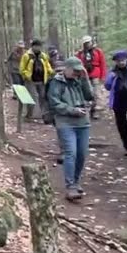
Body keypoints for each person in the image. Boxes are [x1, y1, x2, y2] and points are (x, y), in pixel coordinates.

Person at [47, 56, 95, 199]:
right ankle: (70, 186)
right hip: (65, 122)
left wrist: (85, 79)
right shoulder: (56, 82)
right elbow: (54, 103)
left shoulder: (79, 80)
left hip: (83, 122)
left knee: (81, 154)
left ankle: (76, 181)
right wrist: (72, 110)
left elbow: (90, 96)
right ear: (66, 69)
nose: (76, 73)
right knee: (70, 153)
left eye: (79, 71)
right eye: (74, 71)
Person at [20, 39, 54, 122]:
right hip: (31, 81)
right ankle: (29, 115)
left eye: (39, 46)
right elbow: (21, 68)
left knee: (42, 97)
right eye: (36, 46)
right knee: (32, 97)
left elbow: (47, 65)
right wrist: (26, 75)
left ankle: (43, 115)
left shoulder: (43, 56)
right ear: (32, 46)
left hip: (42, 80)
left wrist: (51, 72)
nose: (38, 48)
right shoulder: (26, 56)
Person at [77, 36, 107, 120]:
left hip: (96, 74)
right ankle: (86, 110)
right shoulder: (80, 53)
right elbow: (77, 64)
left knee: (96, 93)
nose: (87, 44)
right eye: (85, 43)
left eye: (89, 42)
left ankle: (95, 111)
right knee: (87, 93)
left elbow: (103, 64)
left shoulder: (98, 51)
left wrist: (103, 76)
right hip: (84, 75)